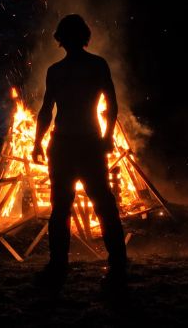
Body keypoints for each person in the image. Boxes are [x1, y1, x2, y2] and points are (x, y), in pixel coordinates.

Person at [31, 14, 128, 289]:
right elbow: (111, 105)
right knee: (101, 204)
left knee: (63, 207)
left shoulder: (57, 70)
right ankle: (116, 265)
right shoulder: (95, 65)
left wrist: (38, 143)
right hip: (83, 143)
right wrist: (107, 137)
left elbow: (46, 111)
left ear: (60, 39)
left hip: (67, 144)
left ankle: (60, 266)